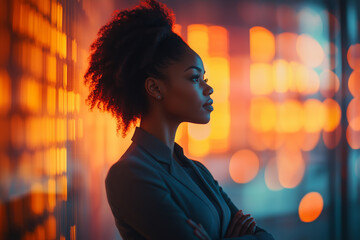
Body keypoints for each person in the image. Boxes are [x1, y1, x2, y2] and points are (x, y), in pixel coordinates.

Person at [84, 0, 275, 239]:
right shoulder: (129, 175)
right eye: (195, 78)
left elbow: (265, 237)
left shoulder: (196, 170)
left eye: (204, 78)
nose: (208, 89)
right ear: (155, 88)